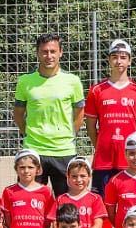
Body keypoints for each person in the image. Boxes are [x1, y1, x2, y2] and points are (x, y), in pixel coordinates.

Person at [13, 33, 85, 196]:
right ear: (38, 53)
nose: (49, 56)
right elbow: (18, 114)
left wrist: (70, 134)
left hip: (64, 151)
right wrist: (28, 134)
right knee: (31, 203)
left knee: (66, 206)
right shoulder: (25, 81)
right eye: (44, 52)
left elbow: (80, 112)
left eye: (53, 51)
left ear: (60, 52)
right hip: (34, 150)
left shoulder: (72, 81)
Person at [83, 39, 136, 192]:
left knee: (129, 203)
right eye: (115, 57)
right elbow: (90, 125)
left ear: (130, 61)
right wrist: (101, 145)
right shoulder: (97, 91)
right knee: (101, 205)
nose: (119, 61)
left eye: (123, 57)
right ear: (109, 60)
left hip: (128, 159)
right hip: (104, 160)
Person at [54, 157, 106, 228]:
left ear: (89, 176)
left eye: (83, 176)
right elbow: (55, 224)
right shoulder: (60, 199)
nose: (78, 180)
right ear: (68, 176)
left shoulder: (96, 198)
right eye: (74, 176)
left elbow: (98, 225)